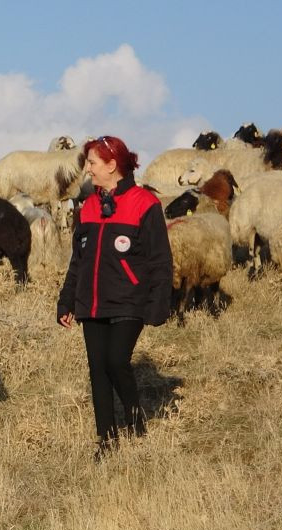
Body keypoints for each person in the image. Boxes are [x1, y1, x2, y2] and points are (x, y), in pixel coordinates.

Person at [56, 135, 172, 459]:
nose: (88, 169)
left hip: (128, 300)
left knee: (115, 361)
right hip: (91, 303)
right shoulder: (88, 207)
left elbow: (160, 260)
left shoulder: (145, 204)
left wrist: (158, 304)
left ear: (112, 165)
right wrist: (66, 301)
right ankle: (106, 440)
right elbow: (77, 261)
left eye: (92, 163)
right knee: (97, 369)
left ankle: (135, 422)